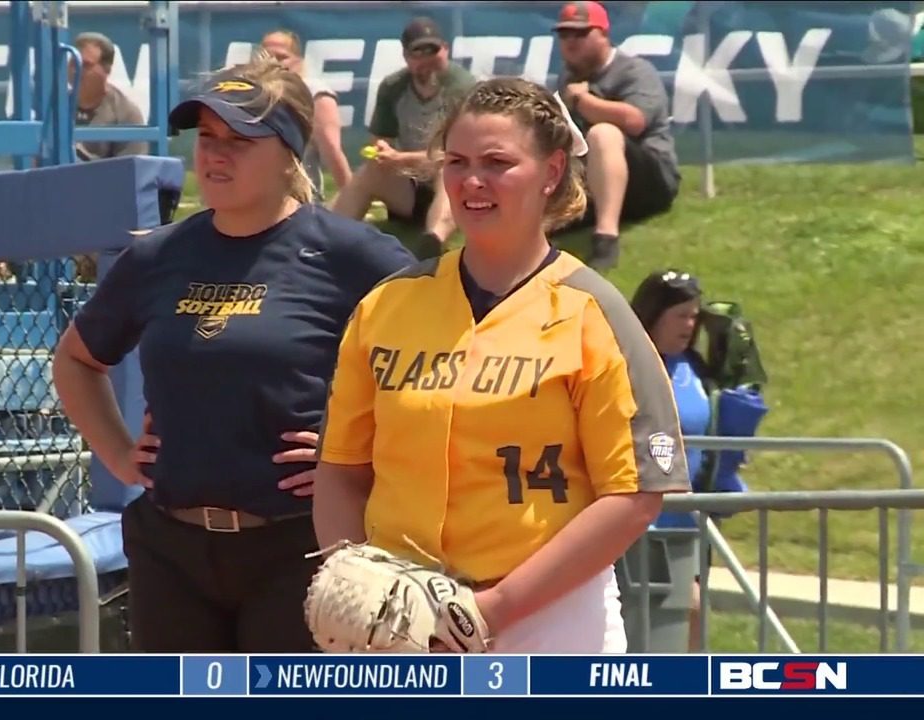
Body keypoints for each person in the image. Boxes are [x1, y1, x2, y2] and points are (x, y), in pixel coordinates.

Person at [51, 51, 417, 653]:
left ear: (289, 153)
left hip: (299, 547)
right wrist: (118, 453)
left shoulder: (350, 254)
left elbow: (440, 367)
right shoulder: (159, 255)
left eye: (241, 141)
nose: (216, 154)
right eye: (207, 137)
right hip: (171, 550)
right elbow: (76, 361)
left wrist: (362, 454)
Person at [312, 76, 691, 653]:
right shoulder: (387, 304)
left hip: (552, 618)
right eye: (457, 162)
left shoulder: (593, 311)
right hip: (403, 618)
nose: (472, 181)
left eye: (497, 162)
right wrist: (354, 581)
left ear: (552, 171)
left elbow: (635, 494)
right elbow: (341, 468)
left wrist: (492, 609)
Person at [631, 268, 765, 651]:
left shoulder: (695, 368)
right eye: (680, 316)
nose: (689, 325)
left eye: (694, 316)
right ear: (653, 315)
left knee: (690, 613)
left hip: (688, 518)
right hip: (640, 519)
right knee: (663, 614)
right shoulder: (626, 365)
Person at [330, 16, 473, 259]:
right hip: (411, 186)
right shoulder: (393, 86)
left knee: (447, 168)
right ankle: (327, 238)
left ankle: (433, 242)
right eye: (418, 52)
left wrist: (401, 158)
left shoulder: (462, 87)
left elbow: (458, 154)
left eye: (432, 50)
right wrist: (383, 152)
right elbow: (379, 141)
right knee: (370, 170)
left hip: (455, 186)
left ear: (445, 49)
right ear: (406, 56)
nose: (426, 59)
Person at [553, 1, 680, 270]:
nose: (571, 41)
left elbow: (635, 122)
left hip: (650, 182)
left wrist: (582, 100)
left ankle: (606, 238)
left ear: (603, 34)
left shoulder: (635, 70)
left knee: (604, 133)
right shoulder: (568, 78)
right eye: (564, 34)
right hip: (594, 181)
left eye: (580, 33)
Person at [259, 29, 354, 202]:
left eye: (281, 57)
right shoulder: (251, 95)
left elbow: (332, 152)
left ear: (298, 62)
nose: (272, 63)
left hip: (300, 202)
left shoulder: (315, 95)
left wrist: (353, 202)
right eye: (266, 57)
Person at [70, 31, 148, 162]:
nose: (75, 70)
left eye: (85, 65)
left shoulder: (126, 113)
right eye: (73, 63)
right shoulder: (54, 107)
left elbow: (131, 170)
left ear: (107, 70)